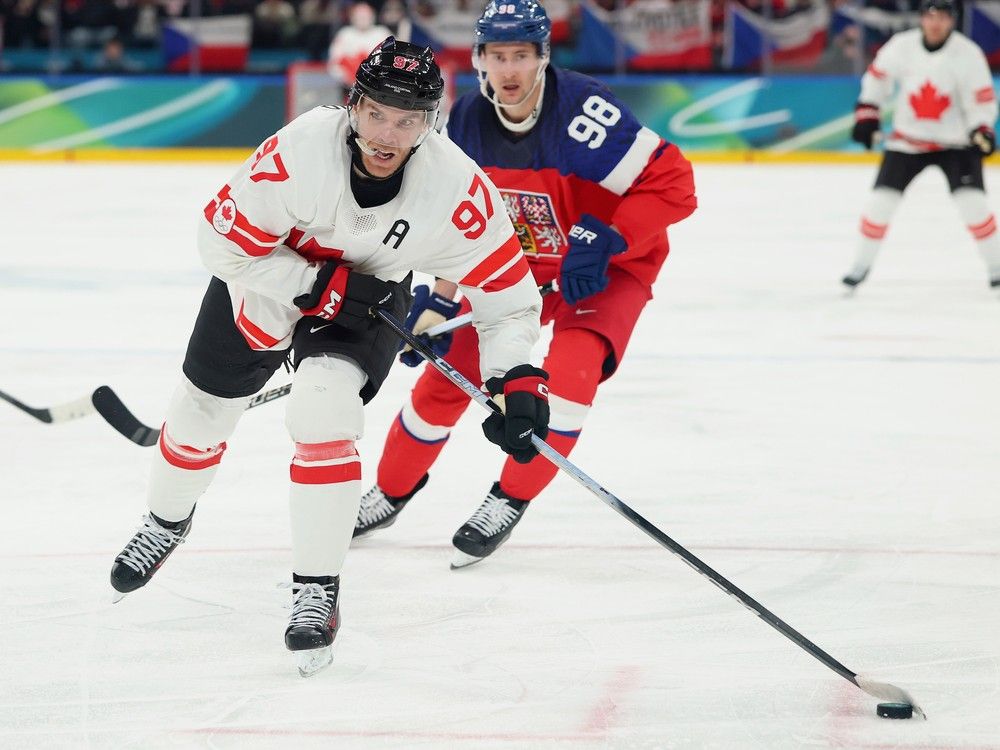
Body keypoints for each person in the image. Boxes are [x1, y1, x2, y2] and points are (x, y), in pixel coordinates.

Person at [108, 38, 547, 677]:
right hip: (267, 280)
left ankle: (317, 589)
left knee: (324, 412)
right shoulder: (300, 150)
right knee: (201, 412)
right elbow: (219, 243)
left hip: (370, 297)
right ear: (353, 105)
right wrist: (318, 285)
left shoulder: (455, 189)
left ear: (432, 123)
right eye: (376, 113)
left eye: (407, 120)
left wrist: (517, 378)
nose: (387, 134)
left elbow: (510, 304)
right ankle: (165, 521)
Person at [353, 0, 697, 568]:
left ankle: (509, 496)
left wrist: (610, 237)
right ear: (479, 59)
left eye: (521, 55)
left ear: (543, 57)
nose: (509, 69)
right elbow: (458, 219)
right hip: (523, 268)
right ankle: (390, 492)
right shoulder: (467, 120)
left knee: (569, 379)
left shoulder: (582, 112)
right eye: (497, 56)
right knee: (448, 377)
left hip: (605, 267)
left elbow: (675, 184)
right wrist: (439, 301)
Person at [843, 0, 1000, 289]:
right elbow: (877, 79)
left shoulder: (968, 54)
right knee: (880, 204)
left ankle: (997, 268)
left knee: (974, 206)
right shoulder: (901, 46)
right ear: (921, 18)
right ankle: (859, 267)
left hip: (956, 144)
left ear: (952, 20)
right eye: (930, 16)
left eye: (943, 17)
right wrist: (868, 113)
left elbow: (981, 101)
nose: (936, 23)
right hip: (908, 142)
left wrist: (981, 129)